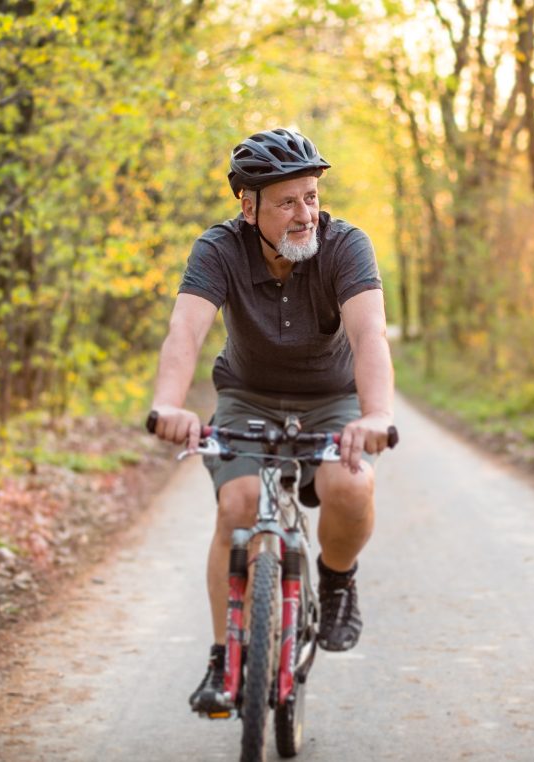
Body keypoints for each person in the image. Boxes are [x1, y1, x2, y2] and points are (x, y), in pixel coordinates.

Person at [147, 128, 396, 716]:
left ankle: (336, 578)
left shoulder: (345, 246)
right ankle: (221, 657)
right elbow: (186, 330)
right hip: (249, 397)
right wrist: (168, 404)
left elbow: (370, 336)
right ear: (248, 206)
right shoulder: (218, 249)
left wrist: (377, 414)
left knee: (351, 486)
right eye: (287, 201)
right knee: (235, 508)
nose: (304, 213)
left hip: (330, 399)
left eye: (310, 196)